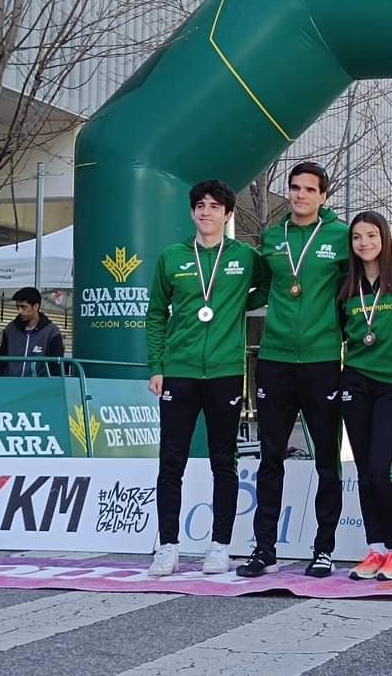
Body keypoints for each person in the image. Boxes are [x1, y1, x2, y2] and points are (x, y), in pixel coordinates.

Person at [145, 179, 262, 577]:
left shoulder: (246, 257)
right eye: (200, 205)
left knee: (223, 461)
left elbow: (268, 290)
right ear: (192, 212)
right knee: (171, 461)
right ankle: (167, 546)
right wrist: (157, 365)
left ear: (228, 214)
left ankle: (220, 546)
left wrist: (233, 306)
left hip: (226, 371)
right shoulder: (173, 257)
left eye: (215, 206)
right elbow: (157, 312)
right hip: (179, 371)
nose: (207, 211)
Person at [239, 161, 350, 579]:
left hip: (322, 360)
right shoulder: (271, 238)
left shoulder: (340, 237)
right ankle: (264, 548)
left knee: (326, 459)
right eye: (296, 188)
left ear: (323, 196)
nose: (301, 195)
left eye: (310, 189)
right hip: (275, 360)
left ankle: (323, 548)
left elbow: (357, 286)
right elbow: (262, 289)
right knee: (270, 457)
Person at [339, 212, 392, 582]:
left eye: (371, 235)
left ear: (384, 238)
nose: (364, 243)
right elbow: (341, 330)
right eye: (357, 237)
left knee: (380, 468)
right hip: (355, 380)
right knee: (362, 468)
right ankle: (374, 549)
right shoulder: (346, 284)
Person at [0, 287, 65, 377]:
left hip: (39, 388)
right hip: (10, 386)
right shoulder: (10, 329)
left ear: (36, 306)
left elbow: (56, 366)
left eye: (24, 307)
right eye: (18, 307)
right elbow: (1, 360)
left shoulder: (52, 332)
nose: (19, 311)